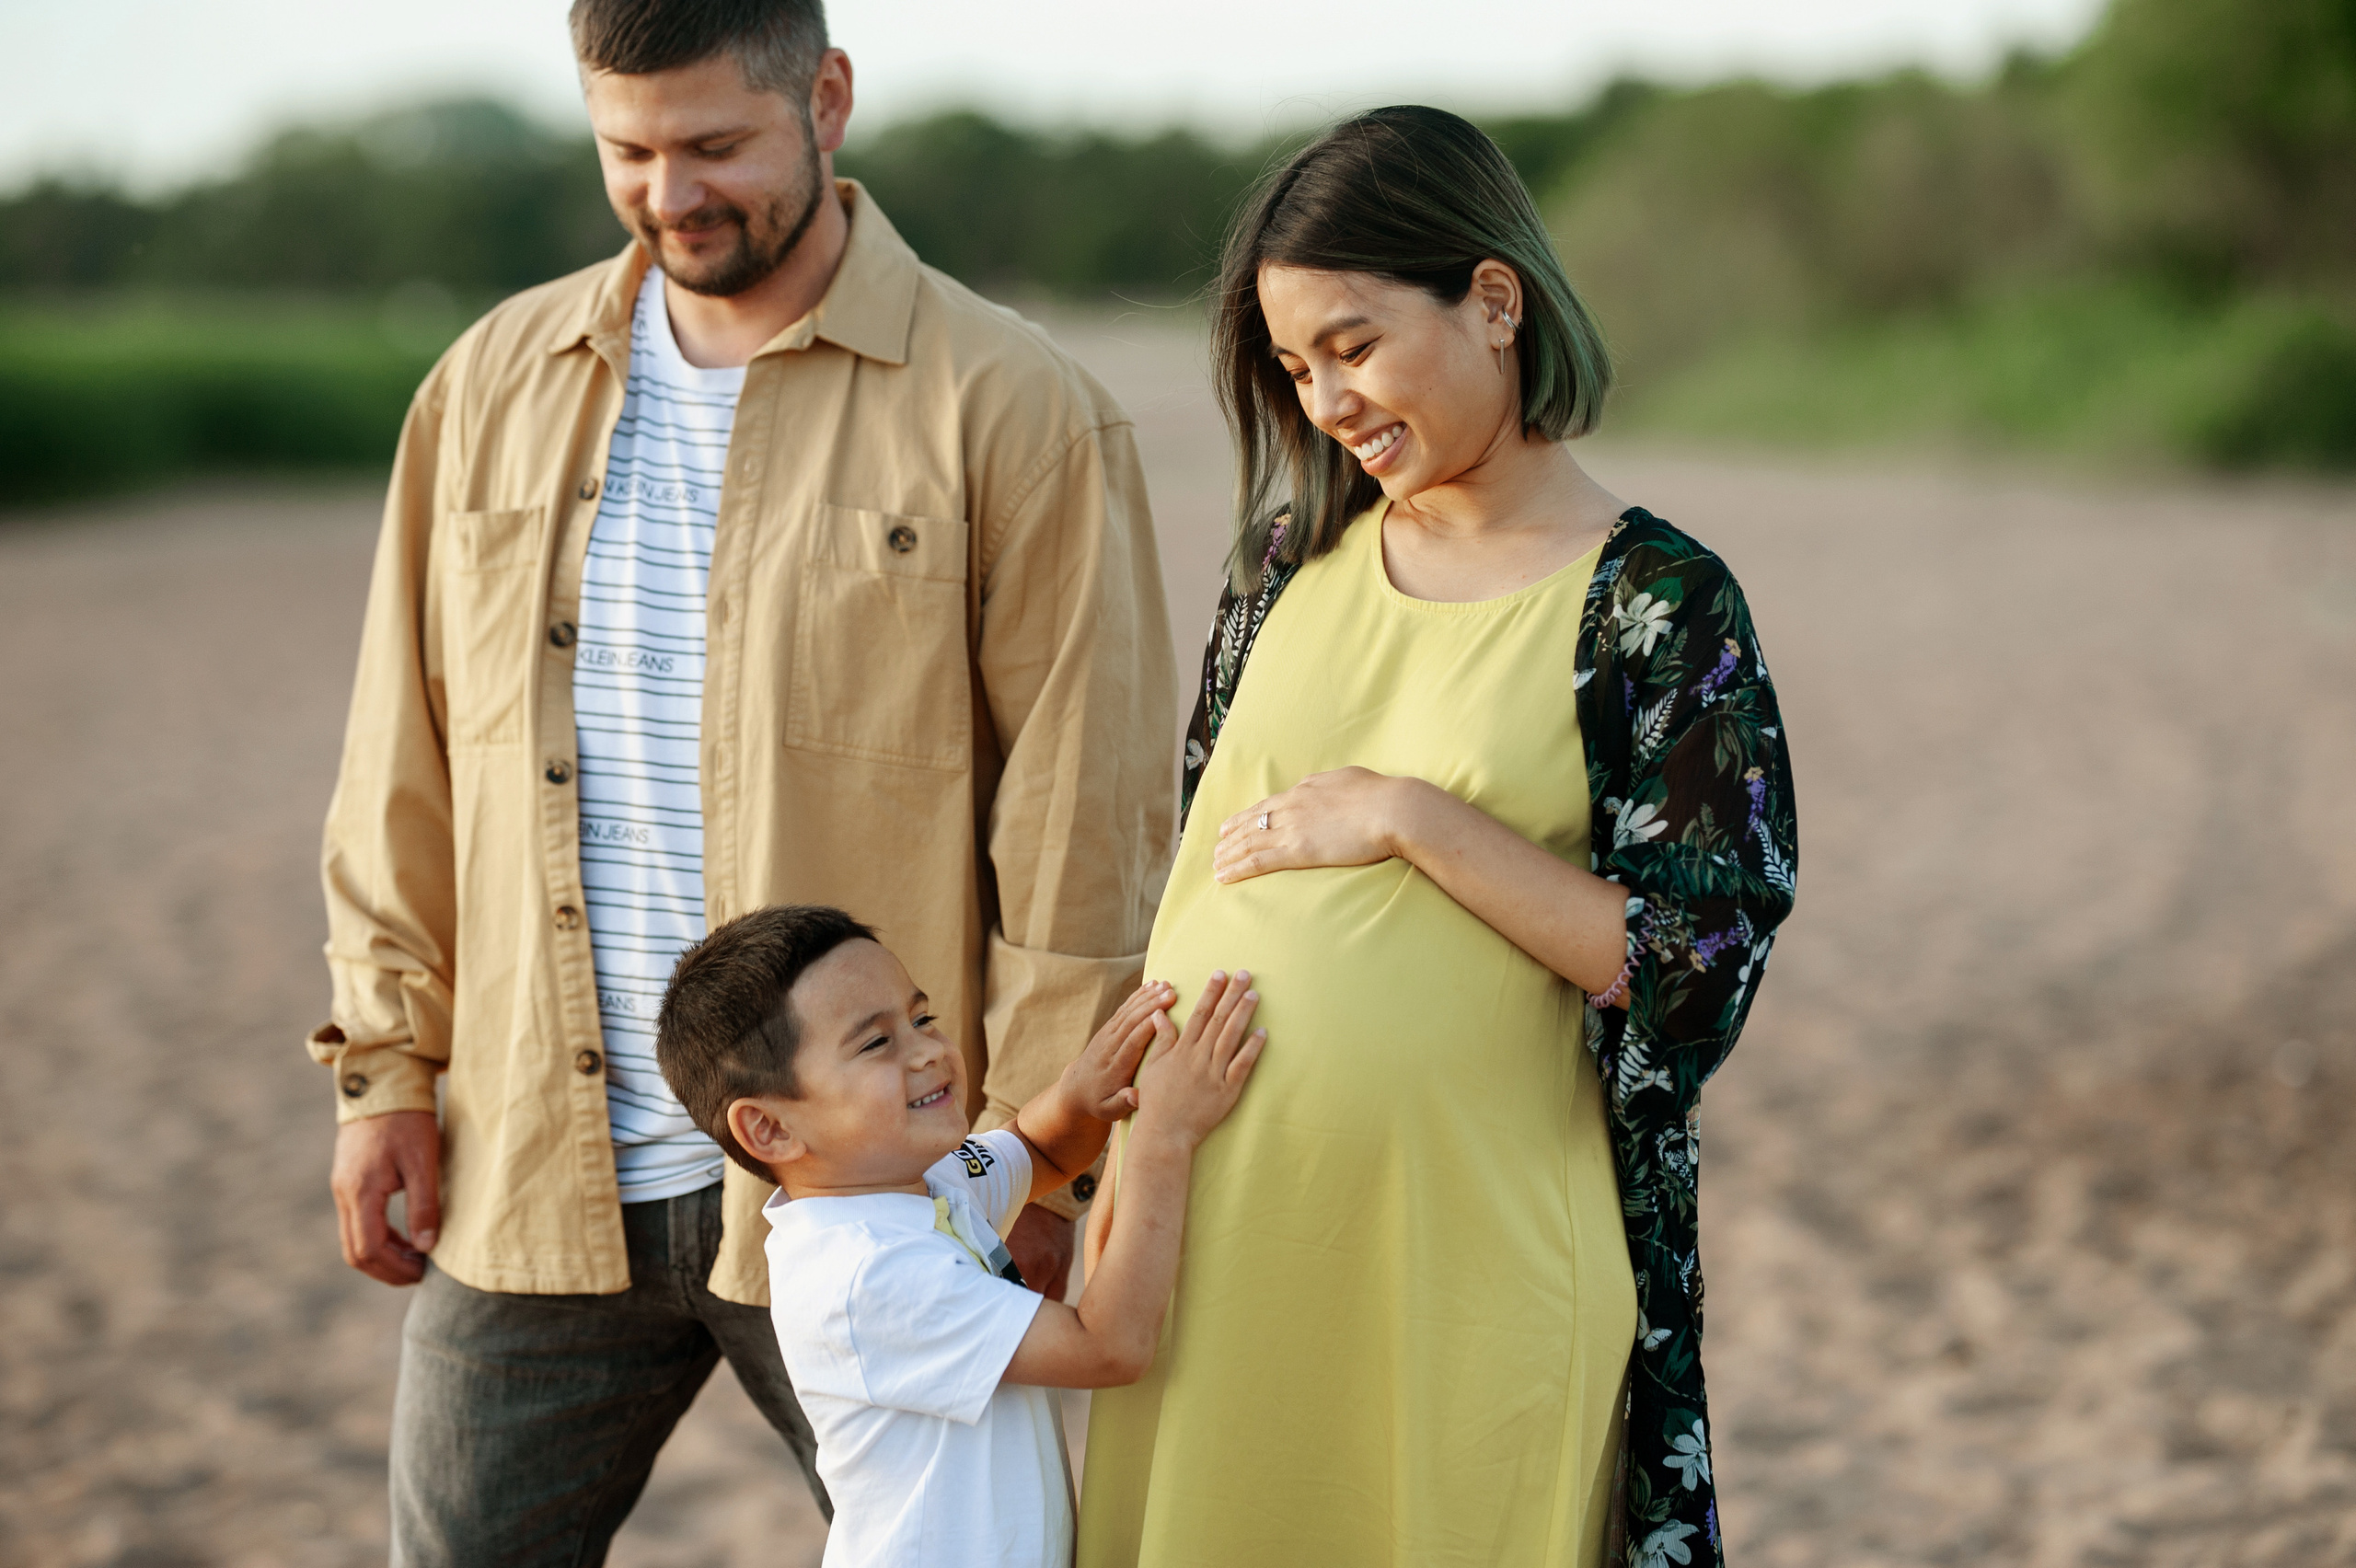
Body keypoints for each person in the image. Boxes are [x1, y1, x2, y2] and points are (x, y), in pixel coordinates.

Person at [307, 0, 1175, 1557]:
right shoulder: (487, 385)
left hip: (877, 1194)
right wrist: (387, 1067)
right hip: (534, 1162)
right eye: (626, 151)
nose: (669, 193)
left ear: (826, 99)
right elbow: (403, 760)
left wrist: (1057, 1162)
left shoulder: (1013, 403)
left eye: (716, 145)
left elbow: (1082, 811)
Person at [1077, 107, 1798, 1568]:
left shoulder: (1658, 603)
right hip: (1213, 1249)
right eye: (1294, 367)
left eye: (1353, 345)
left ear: (1492, 299)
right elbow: (1213, 860)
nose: (1326, 399)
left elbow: (1688, 976)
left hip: (1468, 1270)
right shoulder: (1284, 563)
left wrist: (1413, 821)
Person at [653, 905, 1264, 1568]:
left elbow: (1037, 1150)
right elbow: (1110, 1346)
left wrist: (1080, 1094)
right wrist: (1165, 1135)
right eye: (875, 1043)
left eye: (919, 1018)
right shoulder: (865, 1275)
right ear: (769, 1129)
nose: (927, 1052)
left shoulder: (918, 1180)